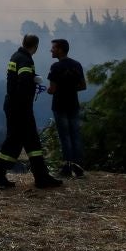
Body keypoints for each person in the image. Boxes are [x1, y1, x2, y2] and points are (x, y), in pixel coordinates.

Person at [0, 34, 62, 189]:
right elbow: (23, 80)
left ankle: (41, 177)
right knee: (14, 142)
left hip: (15, 106)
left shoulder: (17, 56)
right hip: (20, 108)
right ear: (36, 46)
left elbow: (20, 78)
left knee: (31, 141)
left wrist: (33, 78)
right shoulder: (25, 59)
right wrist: (32, 84)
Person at [47, 38, 87, 178]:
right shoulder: (77, 65)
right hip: (73, 105)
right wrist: (70, 89)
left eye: (53, 48)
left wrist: (48, 90)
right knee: (75, 135)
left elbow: (52, 89)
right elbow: (83, 86)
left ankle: (67, 168)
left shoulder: (55, 67)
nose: (51, 50)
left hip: (59, 105)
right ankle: (79, 167)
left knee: (65, 137)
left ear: (60, 49)